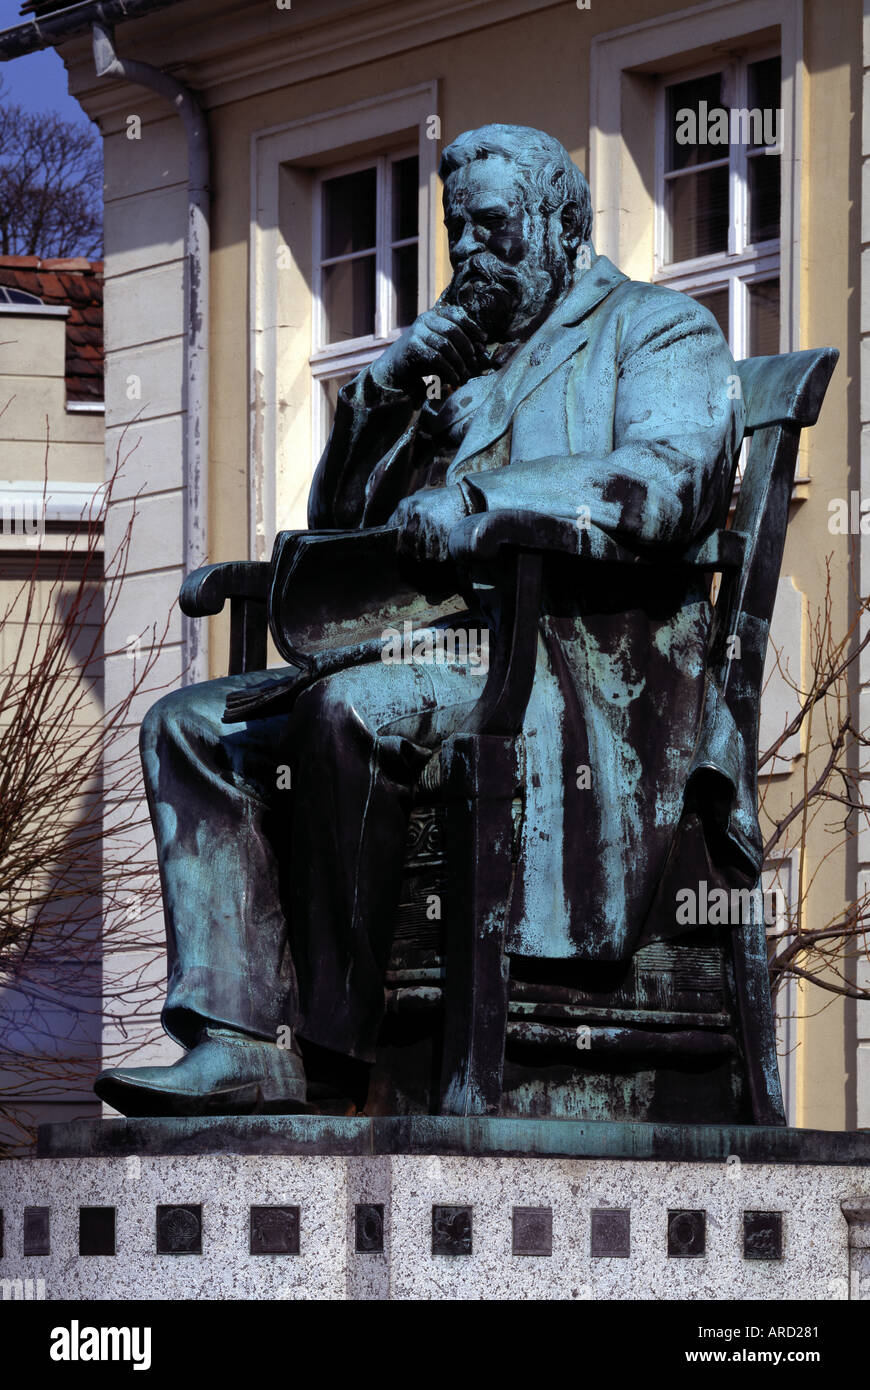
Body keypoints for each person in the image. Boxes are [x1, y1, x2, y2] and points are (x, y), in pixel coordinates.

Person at [95, 125, 745, 1116]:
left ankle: (329, 1053)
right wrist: (394, 378)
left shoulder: (657, 331)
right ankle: (239, 1036)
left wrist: (485, 500)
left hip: (579, 672)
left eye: (495, 228)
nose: (472, 254)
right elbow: (341, 520)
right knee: (190, 727)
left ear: (561, 226)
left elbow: (665, 485)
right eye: (458, 235)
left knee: (348, 712)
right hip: (431, 648)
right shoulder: (458, 362)